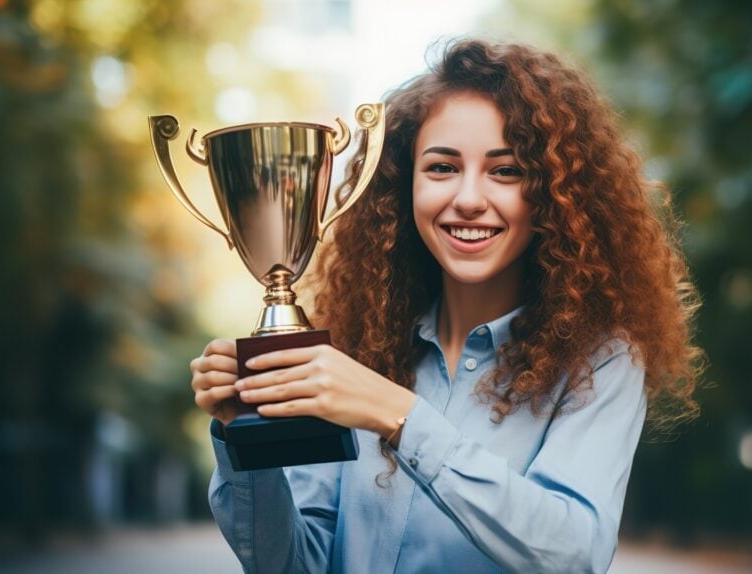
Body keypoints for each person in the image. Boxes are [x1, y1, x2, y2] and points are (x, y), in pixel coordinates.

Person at [190, 39, 701, 574]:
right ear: (401, 187)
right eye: (441, 168)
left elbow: (573, 552)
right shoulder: (349, 348)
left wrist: (398, 415)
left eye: (505, 171)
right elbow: (294, 565)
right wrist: (241, 442)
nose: (469, 198)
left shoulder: (601, 360)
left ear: (548, 192)